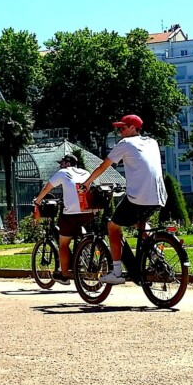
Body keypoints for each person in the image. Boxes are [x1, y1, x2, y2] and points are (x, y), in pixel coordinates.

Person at [77, 114, 167, 284]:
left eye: (123, 128)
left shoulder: (125, 144)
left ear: (133, 128)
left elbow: (104, 165)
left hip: (138, 197)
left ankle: (117, 273)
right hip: (159, 196)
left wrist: (87, 183)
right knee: (138, 222)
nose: (120, 132)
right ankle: (154, 251)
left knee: (112, 227)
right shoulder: (152, 142)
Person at [30, 153, 93, 285]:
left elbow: (47, 188)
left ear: (68, 164)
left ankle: (64, 275)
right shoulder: (86, 172)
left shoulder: (63, 172)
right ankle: (81, 253)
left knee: (63, 243)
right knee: (78, 231)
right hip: (88, 212)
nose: (60, 166)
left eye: (62, 163)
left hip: (71, 214)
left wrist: (37, 201)